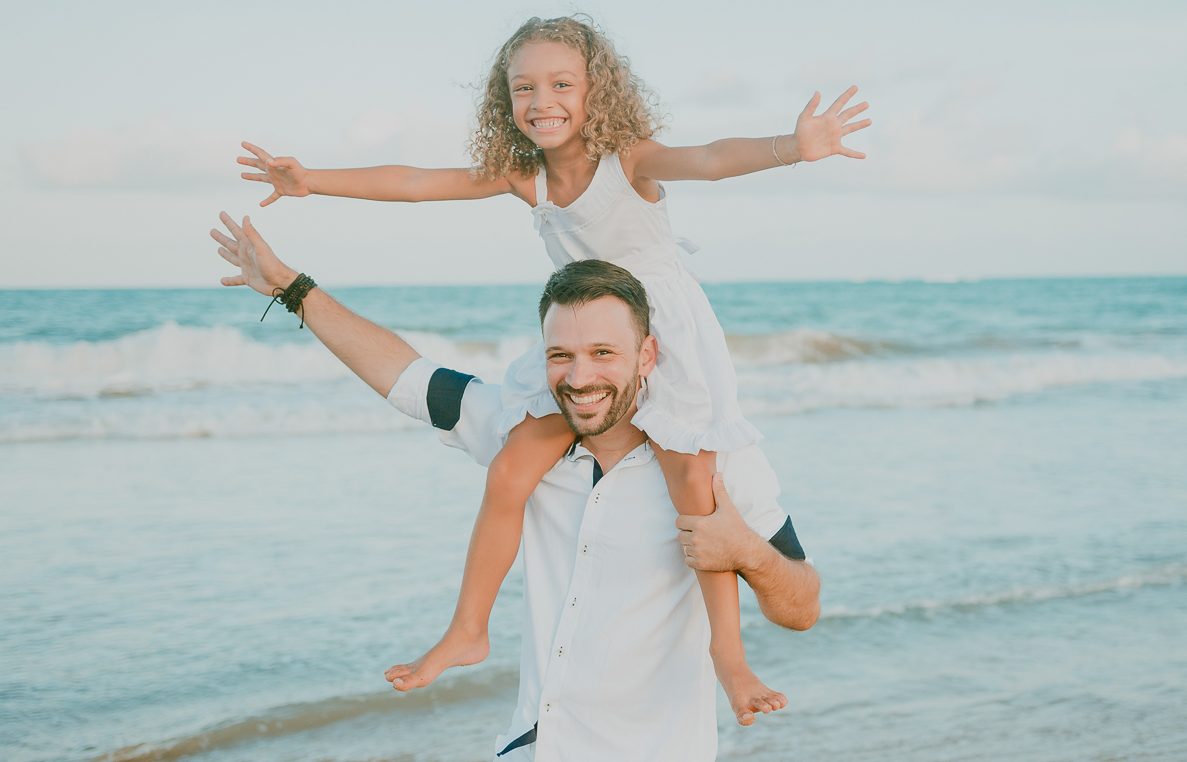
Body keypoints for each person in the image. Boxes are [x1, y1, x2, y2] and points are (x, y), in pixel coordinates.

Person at [236, 14, 864, 723]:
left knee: (697, 482)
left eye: (562, 83)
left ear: (598, 91)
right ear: (505, 101)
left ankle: (729, 656)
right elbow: (416, 183)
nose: (542, 100)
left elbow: (711, 158)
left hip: (663, 335)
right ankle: (469, 630)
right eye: (523, 87)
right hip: (581, 337)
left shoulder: (628, 160)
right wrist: (309, 181)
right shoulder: (522, 175)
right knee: (511, 466)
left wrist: (796, 147)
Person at [208, 211, 821, 759]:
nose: (580, 377)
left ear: (648, 355)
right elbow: (405, 377)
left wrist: (745, 551)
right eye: (561, 355)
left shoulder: (719, 464)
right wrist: (293, 288)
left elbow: (803, 608)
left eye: (604, 353)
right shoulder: (522, 431)